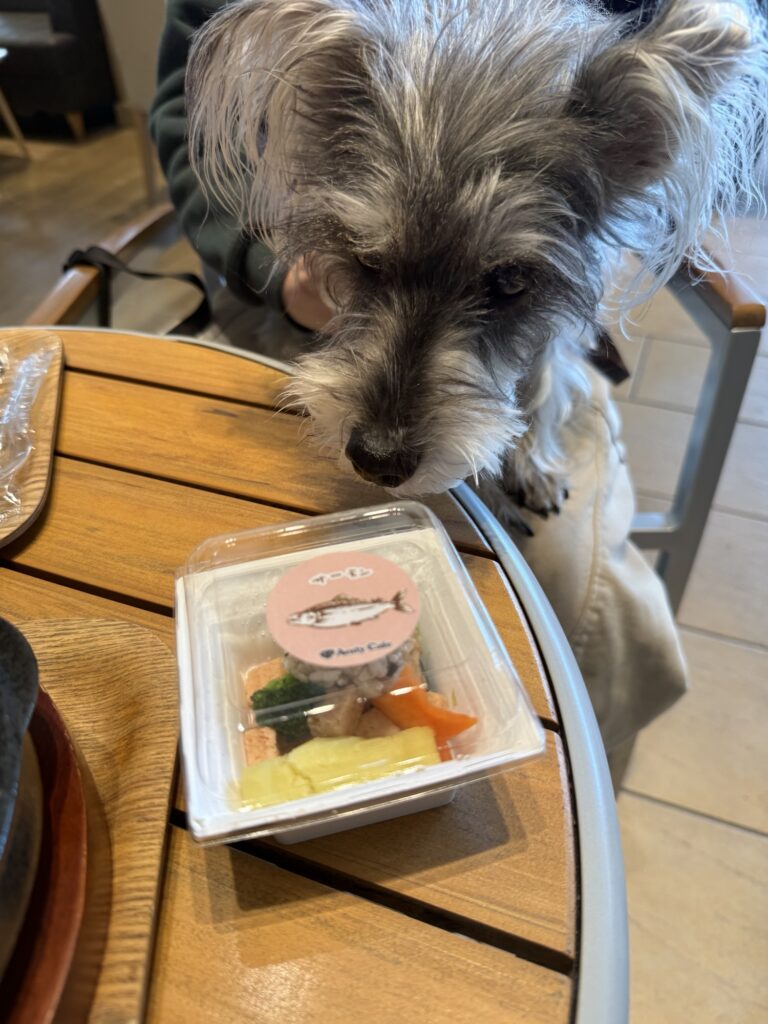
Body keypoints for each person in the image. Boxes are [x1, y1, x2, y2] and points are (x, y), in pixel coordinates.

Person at [150, 0, 686, 784]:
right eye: (371, 259)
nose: (390, 430)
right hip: (281, 297)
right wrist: (280, 270)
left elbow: (687, 44)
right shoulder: (313, 58)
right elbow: (184, 104)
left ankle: (571, 796)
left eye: (506, 281)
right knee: (222, 561)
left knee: (566, 596)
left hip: (534, 351)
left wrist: (529, 431)